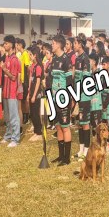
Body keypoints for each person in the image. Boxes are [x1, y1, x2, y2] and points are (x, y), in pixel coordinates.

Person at [50, 35, 73, 165]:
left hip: (63, 99)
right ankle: (60, 156)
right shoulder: (54, 59)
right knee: (58, 127)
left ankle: (67, 158)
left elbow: (70, 82)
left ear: (58, 44)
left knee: (65, 127)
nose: (51, 45)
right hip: (54, 98)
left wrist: (70, 99)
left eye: (53, 43)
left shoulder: (66, 60)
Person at [0, 35, 22, 148]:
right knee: (7, 116)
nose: (4, 45)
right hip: (6, 91)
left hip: (12, 92)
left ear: (12, 45)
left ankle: (15, 138)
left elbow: (13, 77)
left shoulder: (14, 60)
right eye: (4, 43)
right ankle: (8, 135)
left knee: (14, 116)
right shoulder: (7, 58)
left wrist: (4, 69)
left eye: (6, 43)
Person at [73, 36, 92, 159]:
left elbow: (86, 80)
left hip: (84, 96)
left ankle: (86, 150)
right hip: (78, 95)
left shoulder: (85, 59)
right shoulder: (77, 58)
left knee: (85, 124)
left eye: (74, 43)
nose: (73, 45)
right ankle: (80, 150)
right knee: (80, 123)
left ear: (80, 44)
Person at [27, 46, 44, 142]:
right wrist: (29, 92)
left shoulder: (38, 67)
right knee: (32, 114)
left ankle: (39, 132)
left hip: (36, 94)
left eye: (30, 55)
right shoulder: (32, 66)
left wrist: (34, 95)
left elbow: (38, 82)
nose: (29, 56)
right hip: (31, 92)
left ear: (35, 55)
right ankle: (36, 131)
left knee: (35, 113)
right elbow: (30, 79)